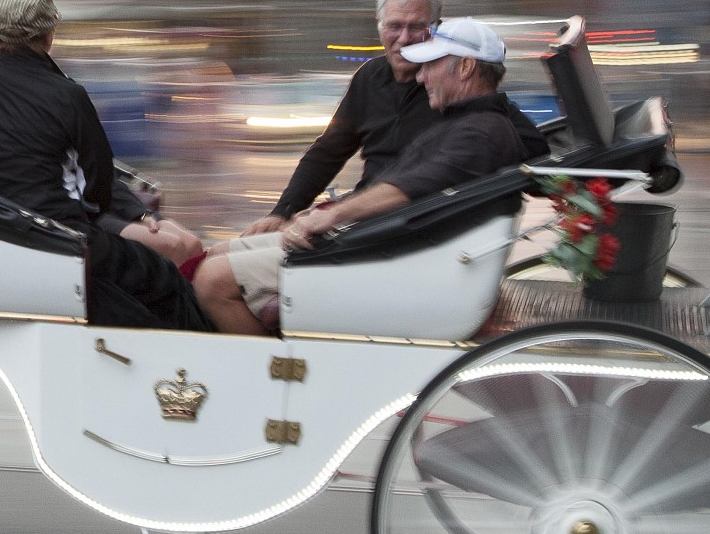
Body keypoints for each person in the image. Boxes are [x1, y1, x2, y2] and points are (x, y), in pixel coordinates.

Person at [194, 18, 548, 336]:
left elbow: (407, 188)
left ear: (467, 67)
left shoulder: (477, 133)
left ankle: (264, 378)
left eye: (431, 66)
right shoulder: (474, 122)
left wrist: (330, 215)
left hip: (388, 260)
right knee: (216, 254)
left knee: (213, 280)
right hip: (387, 246)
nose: (421, 77)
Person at [0, 0, 207, 330]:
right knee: (163, 275)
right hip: (63, 235)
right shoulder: (68, 95)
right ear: (48, 36)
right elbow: (96, 188)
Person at [250, 0, 446, 235]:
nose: (403, 38)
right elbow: (328, 152)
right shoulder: (369, 78)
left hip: (409, 231)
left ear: (436, 28)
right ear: (379, 26)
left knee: (218, 272)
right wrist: (282, 212)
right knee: (222, 253)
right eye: (394, 26)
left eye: (415, 27)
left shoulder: (451, 85)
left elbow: (501, 125)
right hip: (361, 222)